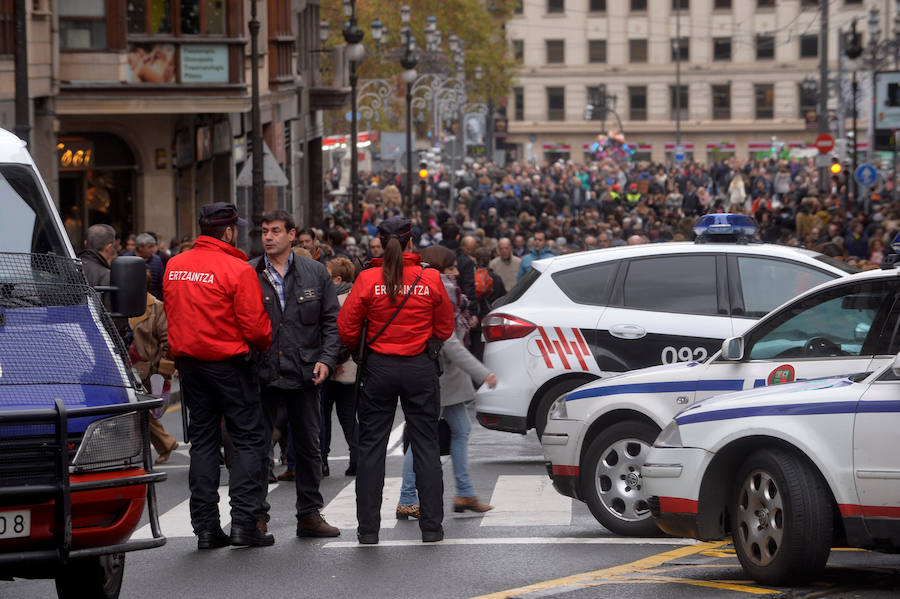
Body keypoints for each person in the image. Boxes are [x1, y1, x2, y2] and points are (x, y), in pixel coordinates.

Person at [337, 216, 454, 545]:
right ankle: (431, 527)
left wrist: (360, 352)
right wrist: (429, 343)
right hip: (419, 366)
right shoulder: (429, 277)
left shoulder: (368, 278)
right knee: (426, 446)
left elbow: (346, 325)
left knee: (371, 448)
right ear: (411, 242)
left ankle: (368, 530)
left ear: (379, 241)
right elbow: (445, 324)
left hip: (379, 366)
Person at [164, 202, 274, 549]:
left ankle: (206, 528)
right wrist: (263, 342)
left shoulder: (175, 266)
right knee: (248, 440)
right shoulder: (237, 269)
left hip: (190, 365)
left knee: (203, 443)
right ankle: (244, 522)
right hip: (230, 365)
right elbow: (257, 328)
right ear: (228, 231)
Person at [252, 210, 342, 538]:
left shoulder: (314, 272)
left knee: (308, 446)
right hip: (263, 373)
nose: (268, 237)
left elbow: (332, 322)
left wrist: (326, 360)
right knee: (257, 447)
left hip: (305, 372)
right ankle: (255, 516)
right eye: (264, 231)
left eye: (275, 230)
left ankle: (309, 514)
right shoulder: (249, 273)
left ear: (292, 235)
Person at [396, 245, 497, 520]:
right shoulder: (442, 292)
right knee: (423, 436)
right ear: (438, 269)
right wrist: (482, 373)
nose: (456, 272)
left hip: (446, 377)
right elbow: (449, 342)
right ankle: (408, 497)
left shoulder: (441, 290)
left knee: (459, 429)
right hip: (439, 376)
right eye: (451, 268)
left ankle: (464, 492)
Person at [128, 267, 177, 465]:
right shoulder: (122, 306)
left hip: (151, 371)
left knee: (144, 411)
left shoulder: (157, 308)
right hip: (126, 369)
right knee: (136, 411)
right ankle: (158, 446)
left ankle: (164, 444)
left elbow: (168, 341)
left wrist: (165, 369)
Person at [321, 256, 358, 478]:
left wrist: (334, 361)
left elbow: (338, 335)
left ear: (337, 279)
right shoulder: (355, 296)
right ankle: (356, 458)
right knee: (348, 415)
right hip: (351, 367)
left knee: (324, 415)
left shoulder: (335, 300)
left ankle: (322, 461)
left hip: (337, 366)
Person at [78, 224, 117, 288]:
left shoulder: (69, 267)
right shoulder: (107, 276)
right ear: (109, 247)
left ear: (85, 243)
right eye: (113, 247)